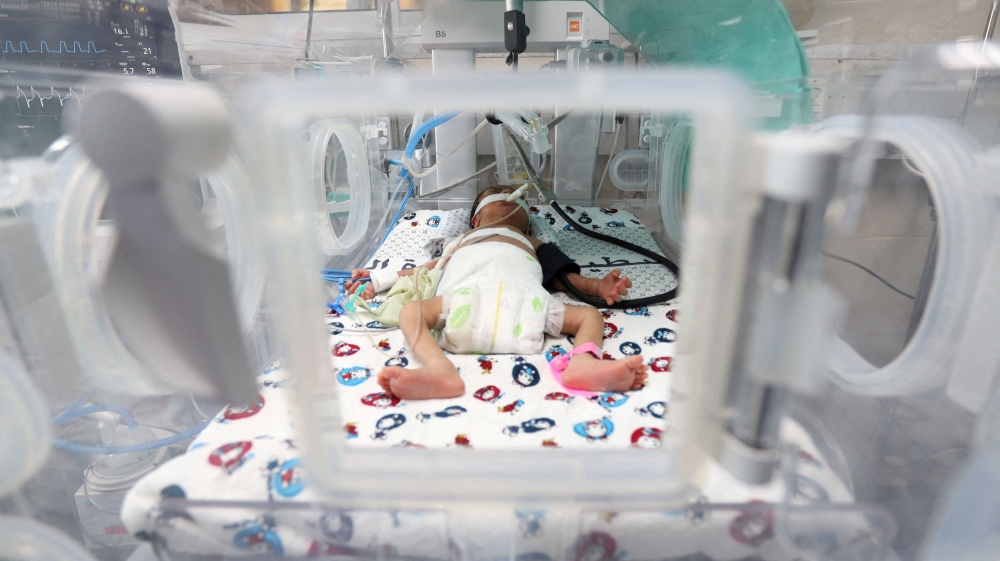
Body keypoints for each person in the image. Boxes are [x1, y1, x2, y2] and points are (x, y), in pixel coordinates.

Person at [346, 186, 647, 399]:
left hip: (526, 300)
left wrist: (598, 286)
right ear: (476, 218)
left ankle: (583, 365)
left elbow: (563, 279)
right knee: (411, 311)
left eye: (516, 198)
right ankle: (439, 369)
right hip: (464, 297)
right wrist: (377, 279)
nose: (509, 196)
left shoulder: (531, 242)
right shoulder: (463, 240)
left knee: (589, 316)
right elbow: (422, 271)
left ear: (529, 223)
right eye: (497, 194)